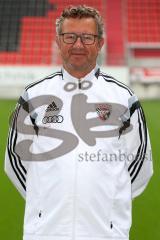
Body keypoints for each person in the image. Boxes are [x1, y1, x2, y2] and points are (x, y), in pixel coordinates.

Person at [5, 5, 153, 240]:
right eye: (70, 37)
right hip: (45, 231)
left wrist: (111, 199)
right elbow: (15, 159)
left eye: (87, 37)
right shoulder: (33, 96)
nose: (78, 45)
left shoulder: (124, 98)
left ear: (100, 43)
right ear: (58, 41)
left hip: (106, 232)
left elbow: (140, 164)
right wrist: (42, 198)